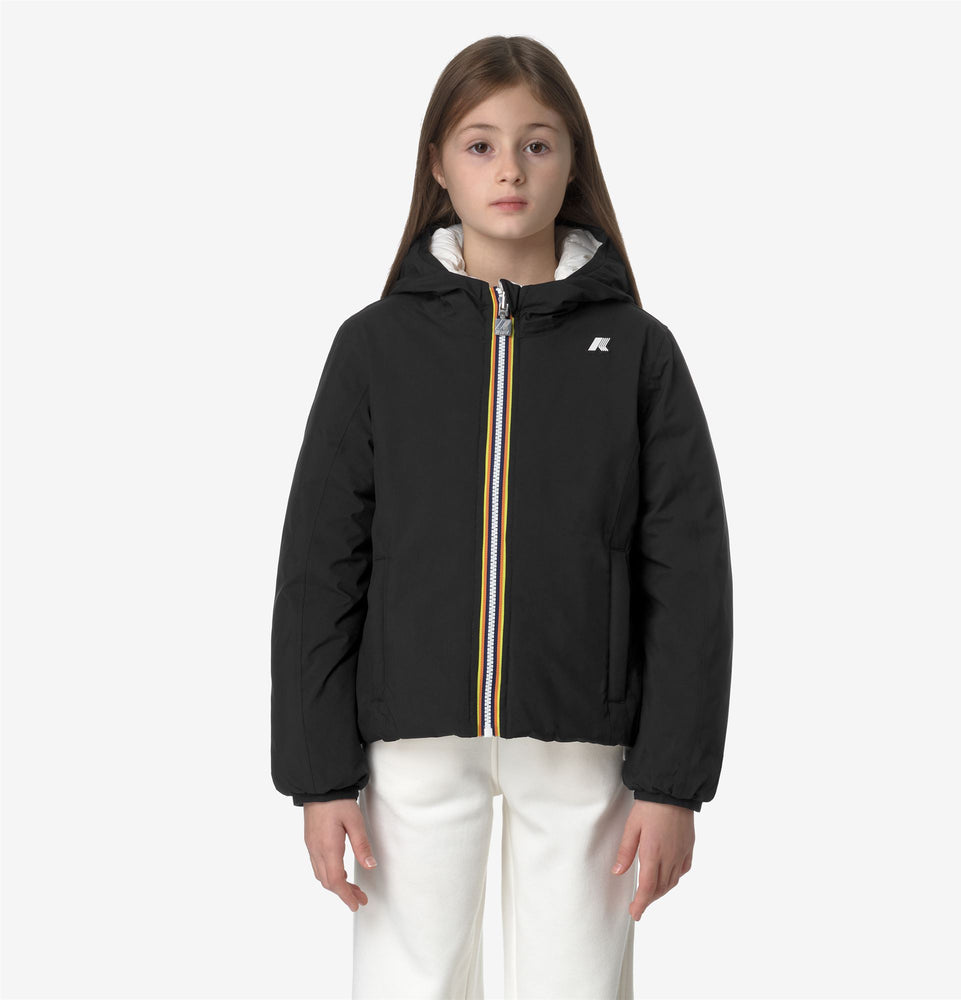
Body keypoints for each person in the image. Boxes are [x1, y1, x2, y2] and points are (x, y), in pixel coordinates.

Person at [270, 34, 734, 1000]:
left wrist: (672, 783)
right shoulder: (375, 348)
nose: (510, 169)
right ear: (438, 166)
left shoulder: (638, 352)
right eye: (480, 145)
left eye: (537, 143)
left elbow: (689, 576)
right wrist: (320, 777)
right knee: (407, 983)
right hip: (411, 745)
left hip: (583, 744)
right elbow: (319, 569)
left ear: (573, 162)